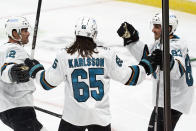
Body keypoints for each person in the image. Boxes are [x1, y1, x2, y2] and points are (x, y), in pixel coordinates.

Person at [24, 16, 158, 131]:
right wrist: (147, 65)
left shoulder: (64, 55)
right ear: (94, 34)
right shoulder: (107, 54)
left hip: (73, 117)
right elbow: (130, 78)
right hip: (100, 118)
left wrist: (36, 70)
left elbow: (47, 83)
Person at [117, 13, 194, 131]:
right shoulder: (161, 43)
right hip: (169, 100)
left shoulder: (175, 46)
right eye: (153, 26)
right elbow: (146, 55)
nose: (153, 30)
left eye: (157, 26)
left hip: (173, 100)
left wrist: (167, 61)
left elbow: (178, 71)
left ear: (168, 28)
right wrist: (131, 39)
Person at [0, 16, 47, 131]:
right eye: (24, 30)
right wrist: (13, 72)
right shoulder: (14, 49)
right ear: (15, 33)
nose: (28, 33)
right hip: (18, 108)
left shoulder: (4, 49)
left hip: (10, 108)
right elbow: (7, 68)